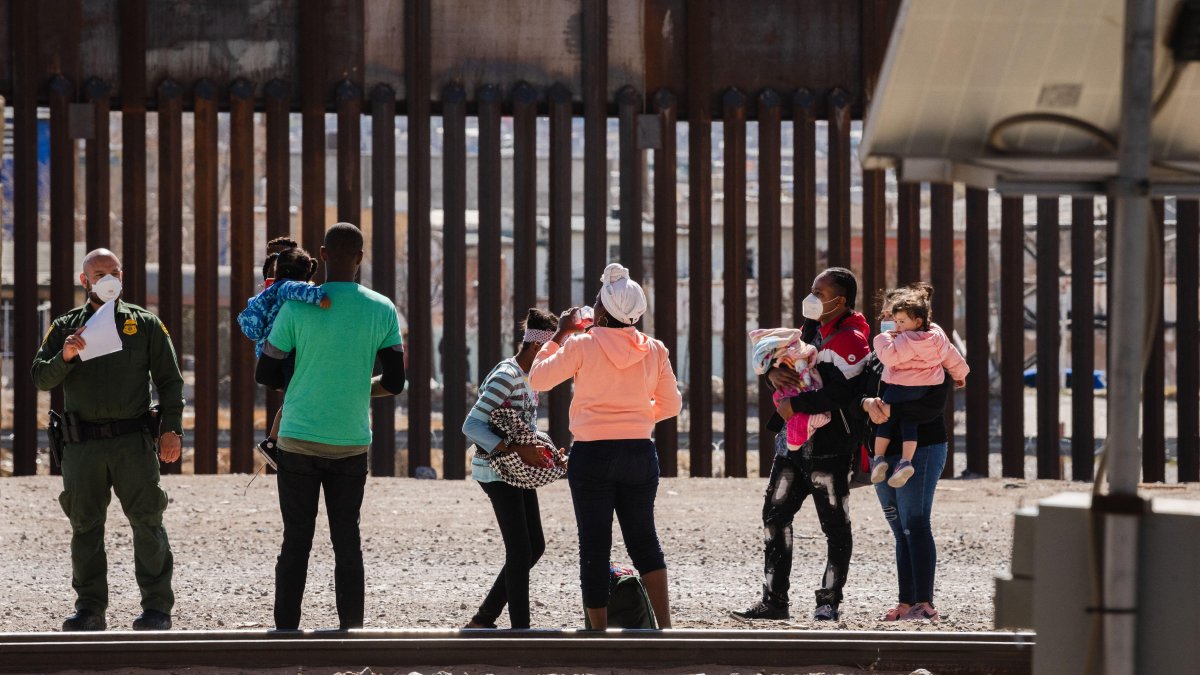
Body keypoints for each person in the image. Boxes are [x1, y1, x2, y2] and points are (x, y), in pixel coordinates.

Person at [255, 222, 406, 630]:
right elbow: (394, 382)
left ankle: (286, 629)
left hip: (298, 440)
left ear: (322, 254)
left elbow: (265, 374)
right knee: (347, 541)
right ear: (360, 258)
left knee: (296, 541)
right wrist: (358, 386)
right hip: (350, 443)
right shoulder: (382, 309)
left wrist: (307, 377)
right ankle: (350, 630)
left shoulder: (296, 305)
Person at [31, 248, 185, 632]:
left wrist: (171, 429)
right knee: (85, 526)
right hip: (82, 445)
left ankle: (156, 608)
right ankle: (89, 608)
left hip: (132, 440)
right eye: (99, 272)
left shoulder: (144, 324)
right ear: (85, 281)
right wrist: (65, 356)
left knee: (147, 521)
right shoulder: (67, 327)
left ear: (122, 275)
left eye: (113, 271)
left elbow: (170, 381)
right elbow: (40, 377)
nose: (107, 278)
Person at [529, 263, 682, 630]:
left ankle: (598, 634)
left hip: (592, 453)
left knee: (594, 546)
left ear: (600, 311)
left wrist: (560, 334)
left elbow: (538, 377)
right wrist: (638, 417)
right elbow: (672, 405)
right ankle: (665, 626)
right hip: (639, 452)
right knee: (644, 539)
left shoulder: (582, 344)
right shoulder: (655, 349)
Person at [733, 267, 870, 623]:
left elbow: (841, 393)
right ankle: (774, 601)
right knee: (775, 518)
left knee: (835, 527)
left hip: (831, 449)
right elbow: (784, 370)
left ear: (840, 301)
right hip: (792, 447)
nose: (811, 298)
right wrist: (771, 374)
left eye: (819, 293)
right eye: (811, 290)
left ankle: (828, 602)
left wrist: (796, 405)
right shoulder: (810, 329)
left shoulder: (852, 341)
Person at [462, 308, 563, 629]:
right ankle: (521, 631)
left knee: (535, 546)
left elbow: (524, 428)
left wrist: (545, 454)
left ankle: (484, 619)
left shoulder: (531, 376)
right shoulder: (507, 376)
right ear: (537, 347)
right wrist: (518, 448)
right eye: (553, 351)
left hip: (515, 469)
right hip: (495, 470)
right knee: (520, 550)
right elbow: (471, 425)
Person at [859, 292, 955, 623]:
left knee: (916, 522)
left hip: (923, 448)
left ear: (918, 320)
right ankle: (905, 602)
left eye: (902, 319)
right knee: (899, 528)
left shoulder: (933, 354)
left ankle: (924, 604)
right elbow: (861, 392)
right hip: (884, 452)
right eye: (891, 318)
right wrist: (867, 404)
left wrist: (890, 408)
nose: (895, 325)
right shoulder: (880, 355)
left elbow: (932, 406)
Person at [237, 245, 331, 469]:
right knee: (294, 398)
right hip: (285, 351)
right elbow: (301, 291)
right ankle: (277, 442)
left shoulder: (270, 290)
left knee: (291, 397)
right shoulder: (287, 287)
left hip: (268, 350)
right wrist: (320, 297)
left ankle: (273, 441)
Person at [869, 283, 968, 487]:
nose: (890, 323)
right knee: (909, 424)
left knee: (913, 515)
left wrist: (881, 339)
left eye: (896, 319)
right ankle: (901, 461)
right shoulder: (937, 339)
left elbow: (930, 406)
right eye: (886, 317)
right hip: (905, 430)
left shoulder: (900, 342)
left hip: (925, 441)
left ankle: (882, 458)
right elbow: (952, 356)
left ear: (914, 320)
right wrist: (961, 374)